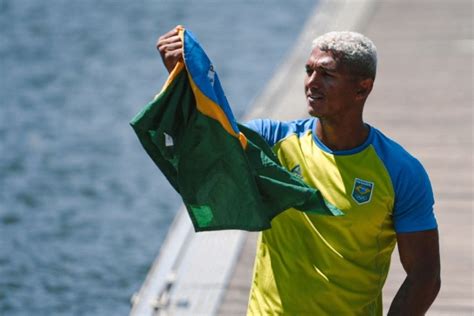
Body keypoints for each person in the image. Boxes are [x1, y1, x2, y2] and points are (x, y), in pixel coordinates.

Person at [156, 26, 441, 315]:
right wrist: (184, 81)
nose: (311, 83)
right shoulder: (273, 142)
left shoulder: (400, 171)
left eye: (327, 74)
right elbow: (212, 139)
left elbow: (425, 276)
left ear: (362, 88)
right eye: (309, 71)